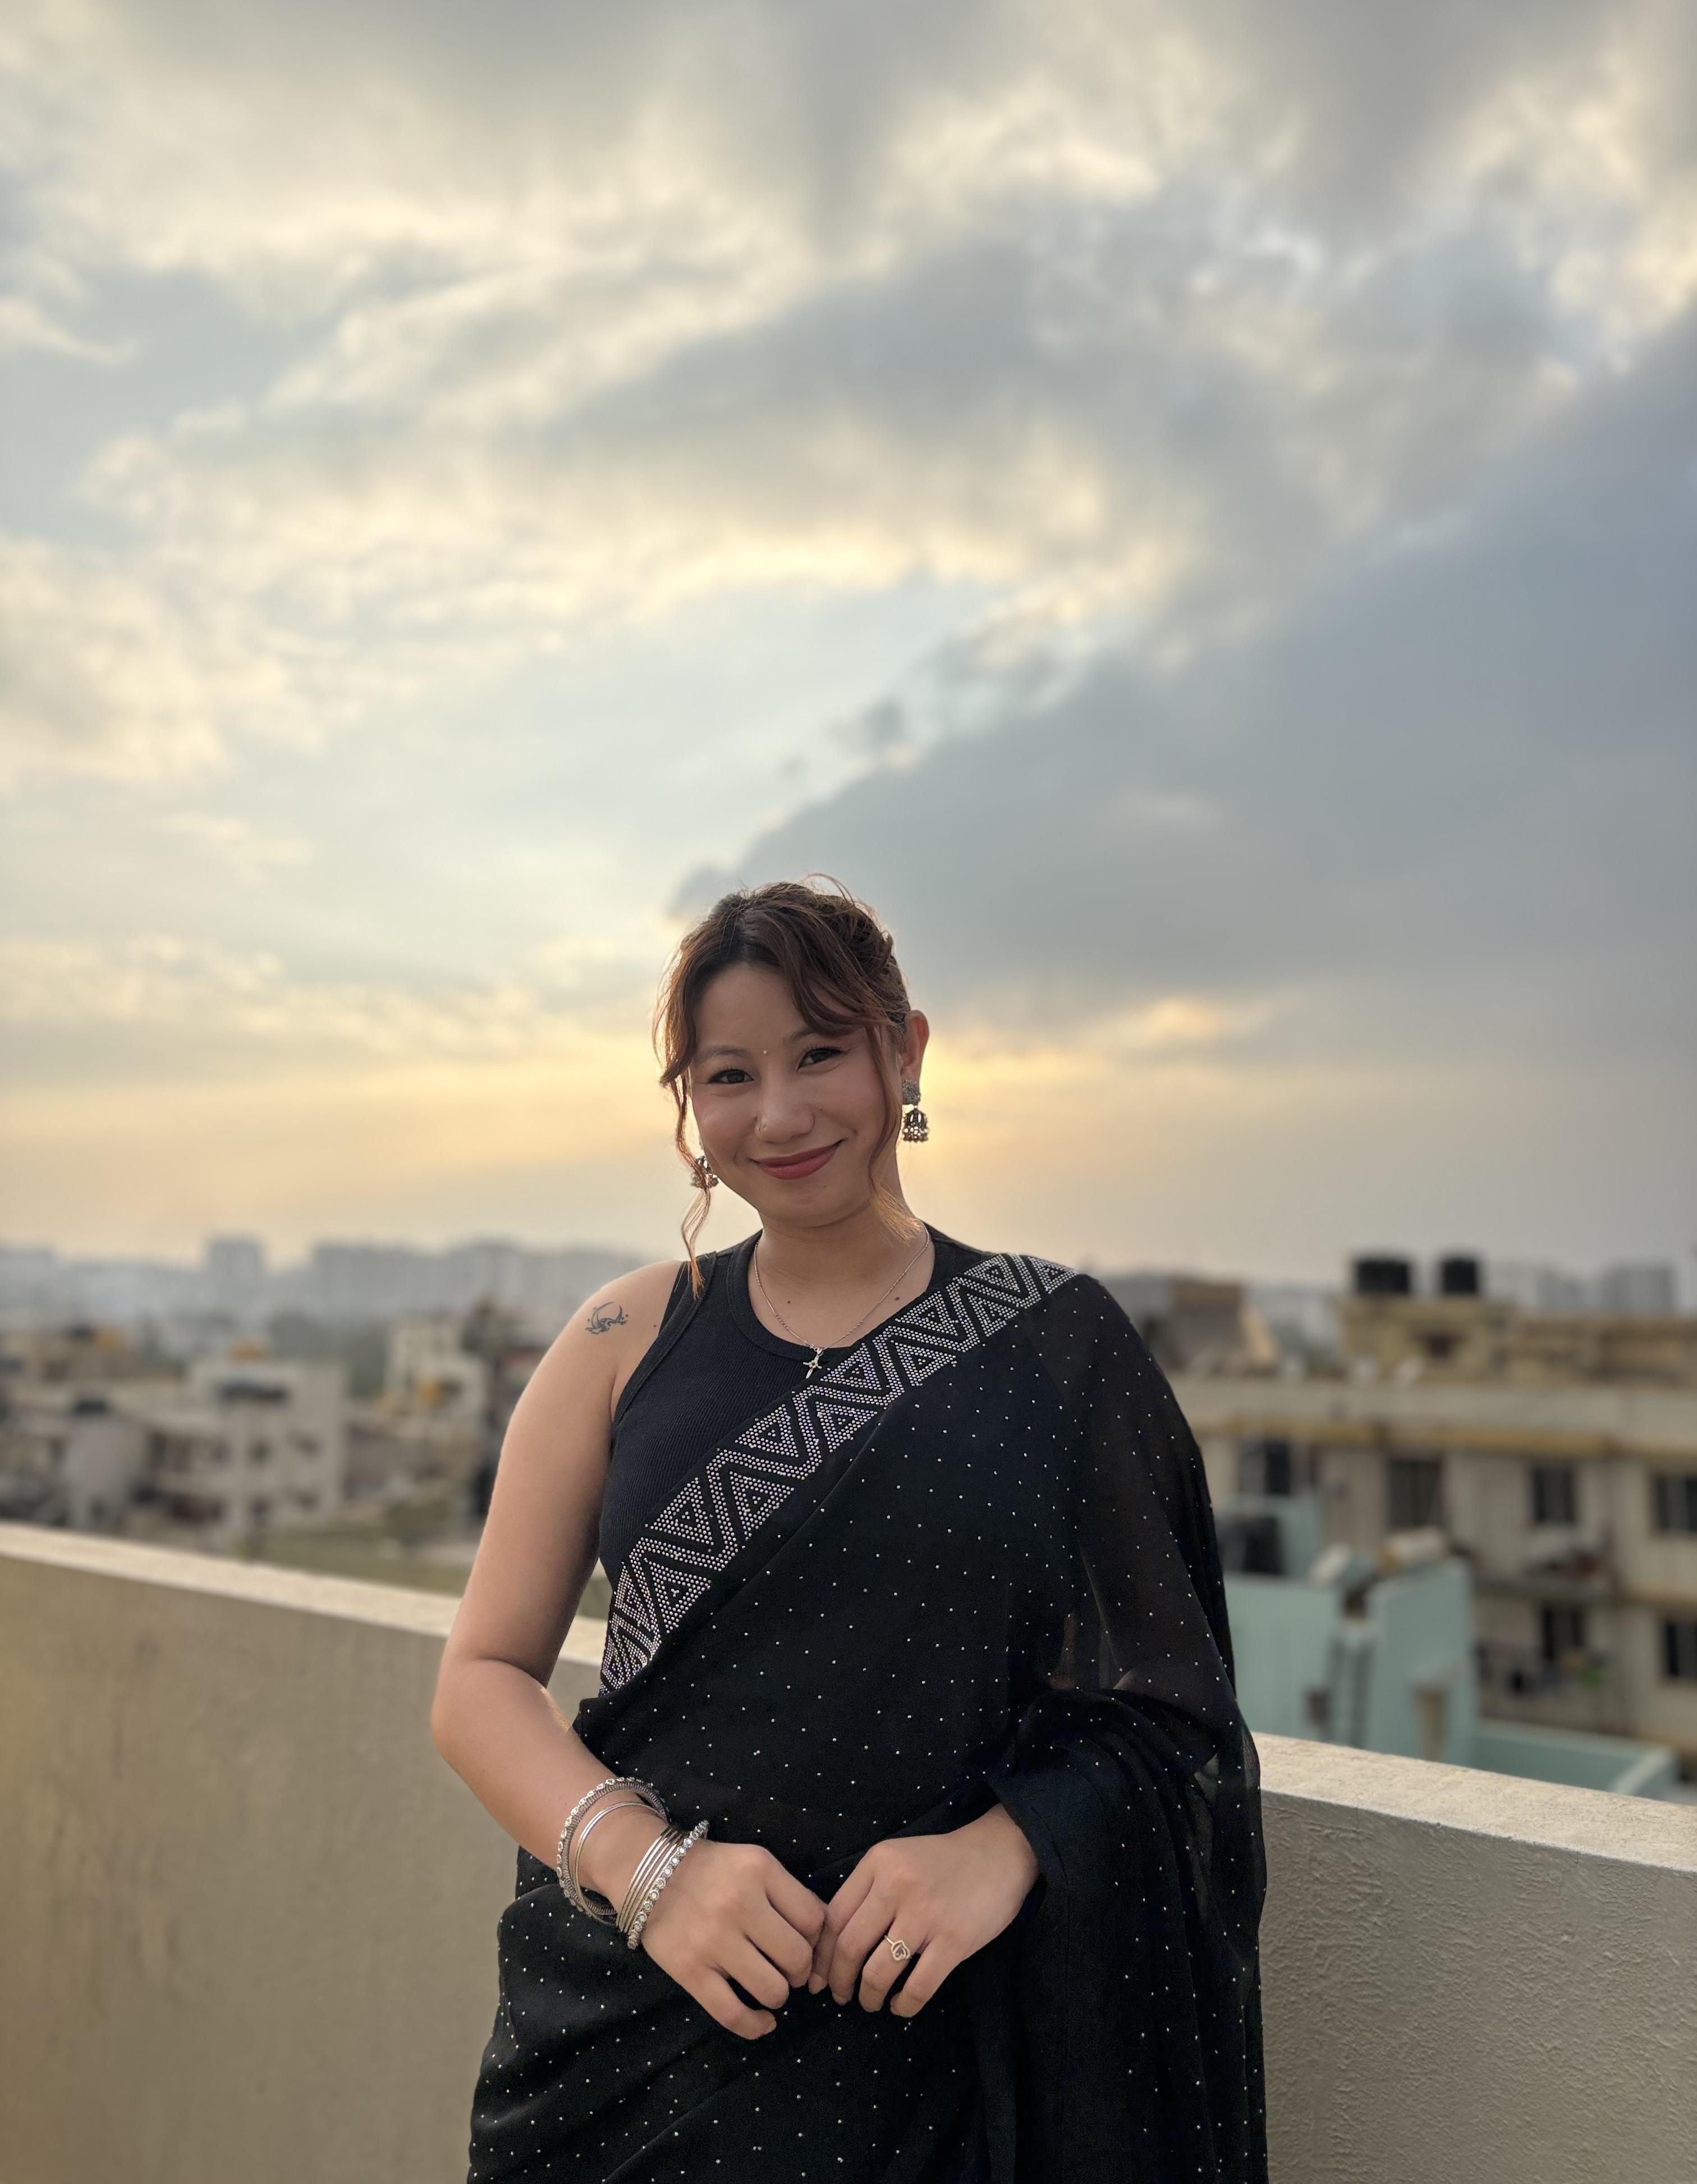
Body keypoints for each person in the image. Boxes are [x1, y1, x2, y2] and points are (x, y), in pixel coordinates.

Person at [431, 875, 1267, 2183]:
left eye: (820, 1054)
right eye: (729, 1075)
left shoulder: (1062, 1346)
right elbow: (480, 1679)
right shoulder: (620, 1339)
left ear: (906, 1051)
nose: (779, 1114)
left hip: (940, 2061)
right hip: (625, 2050)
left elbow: (1178, 1715)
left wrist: (1009, 1849)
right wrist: (652, 1876)